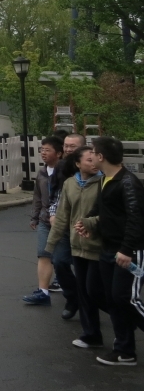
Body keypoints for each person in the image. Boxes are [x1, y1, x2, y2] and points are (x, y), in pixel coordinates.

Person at [76, 136, 144, 366]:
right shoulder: (105, 179)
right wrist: (89, 225)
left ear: (101, 156)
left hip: (129, 252)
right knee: (106, 297)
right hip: (108, 248)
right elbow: (104, 212)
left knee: (125, 298)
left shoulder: (128, 182)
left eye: (93, 152)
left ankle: (125, 347)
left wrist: (127, 249)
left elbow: (136, 219)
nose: (90, 155)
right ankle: (124, 351)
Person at [46, 145, 106, 348]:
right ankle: (91, 335)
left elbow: (110, 215)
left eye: (95, 158)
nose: (94, 162)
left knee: (96, 291)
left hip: (98, 245)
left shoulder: (104, 182)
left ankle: (125, 319)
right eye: (89, 159)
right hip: (77, 245)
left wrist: (90, 223)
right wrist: (51, 243)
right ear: (78, 163)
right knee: (84, 292)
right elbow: (62, 216)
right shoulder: (70, 183)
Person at [50, 133, 89, 317]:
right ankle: (73, 298)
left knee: (85, 269)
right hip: (65, 227)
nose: (67, 149)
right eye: (66, 146)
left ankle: (89, 303)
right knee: (59, 261)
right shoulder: (61, 167)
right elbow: (56, 195)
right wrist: (52, 214)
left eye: (72, 146)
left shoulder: (93, 168)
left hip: (86, 228)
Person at [23, 135, 64, 305]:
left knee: (61, 259)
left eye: (47, 150)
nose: (43, 153)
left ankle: (69, 288)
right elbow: (37, 197)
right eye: (42, 150)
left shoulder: (66, 172)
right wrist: (35, 217)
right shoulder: (41, 172)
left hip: (62, 222)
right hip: (44, 220)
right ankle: (43, 292)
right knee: (43, 254)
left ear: (59, 153)